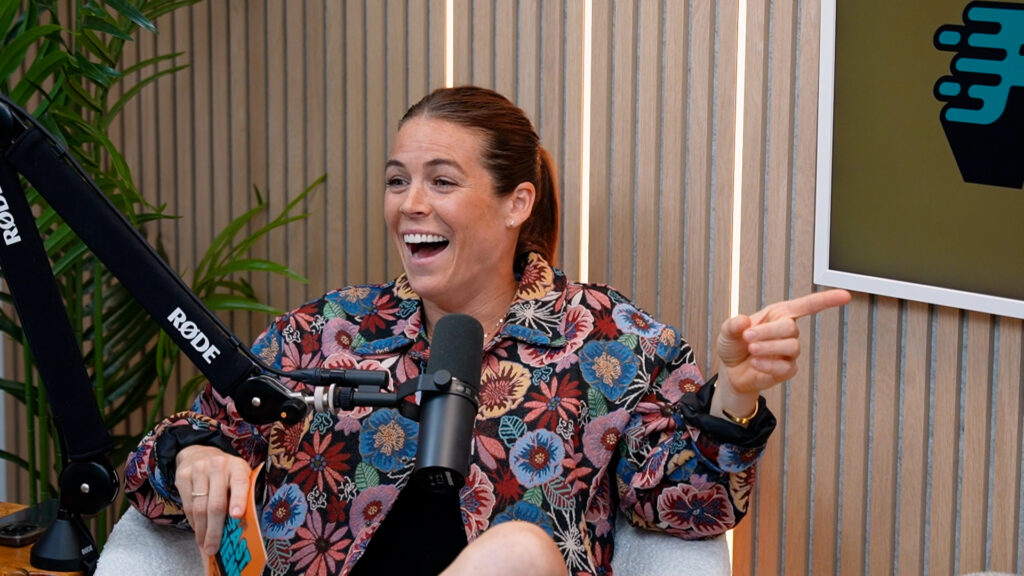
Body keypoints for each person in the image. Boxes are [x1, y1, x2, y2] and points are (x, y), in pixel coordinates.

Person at [124, 85, 851, 576]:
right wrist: (192, 457)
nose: (410, 205)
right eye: (396, 180)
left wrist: (735, 394)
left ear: (516, 204)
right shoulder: (326, 332)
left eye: (442, 182)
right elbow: (154, 472)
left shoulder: (616, 344)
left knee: (519, 552)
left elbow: (693, 507)